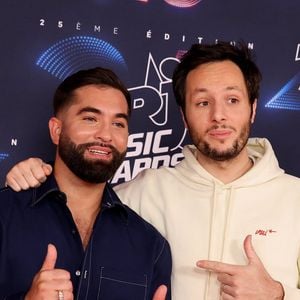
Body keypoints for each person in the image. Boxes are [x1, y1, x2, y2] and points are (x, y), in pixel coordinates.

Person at [6, 42, 300, 299]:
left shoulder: (295, 198)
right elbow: (82, 191)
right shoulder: (144, 192)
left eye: (232, 100)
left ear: (253, 108)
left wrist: (279, 295)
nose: (218, 115)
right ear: (184, 116)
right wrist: (34, 175)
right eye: (202, 102)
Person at [0, 67, 171, 300]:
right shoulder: (5, 214)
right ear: (56, 130)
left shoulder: (150, 245)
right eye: (91, 119)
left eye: (118, 124)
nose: (106, 135)